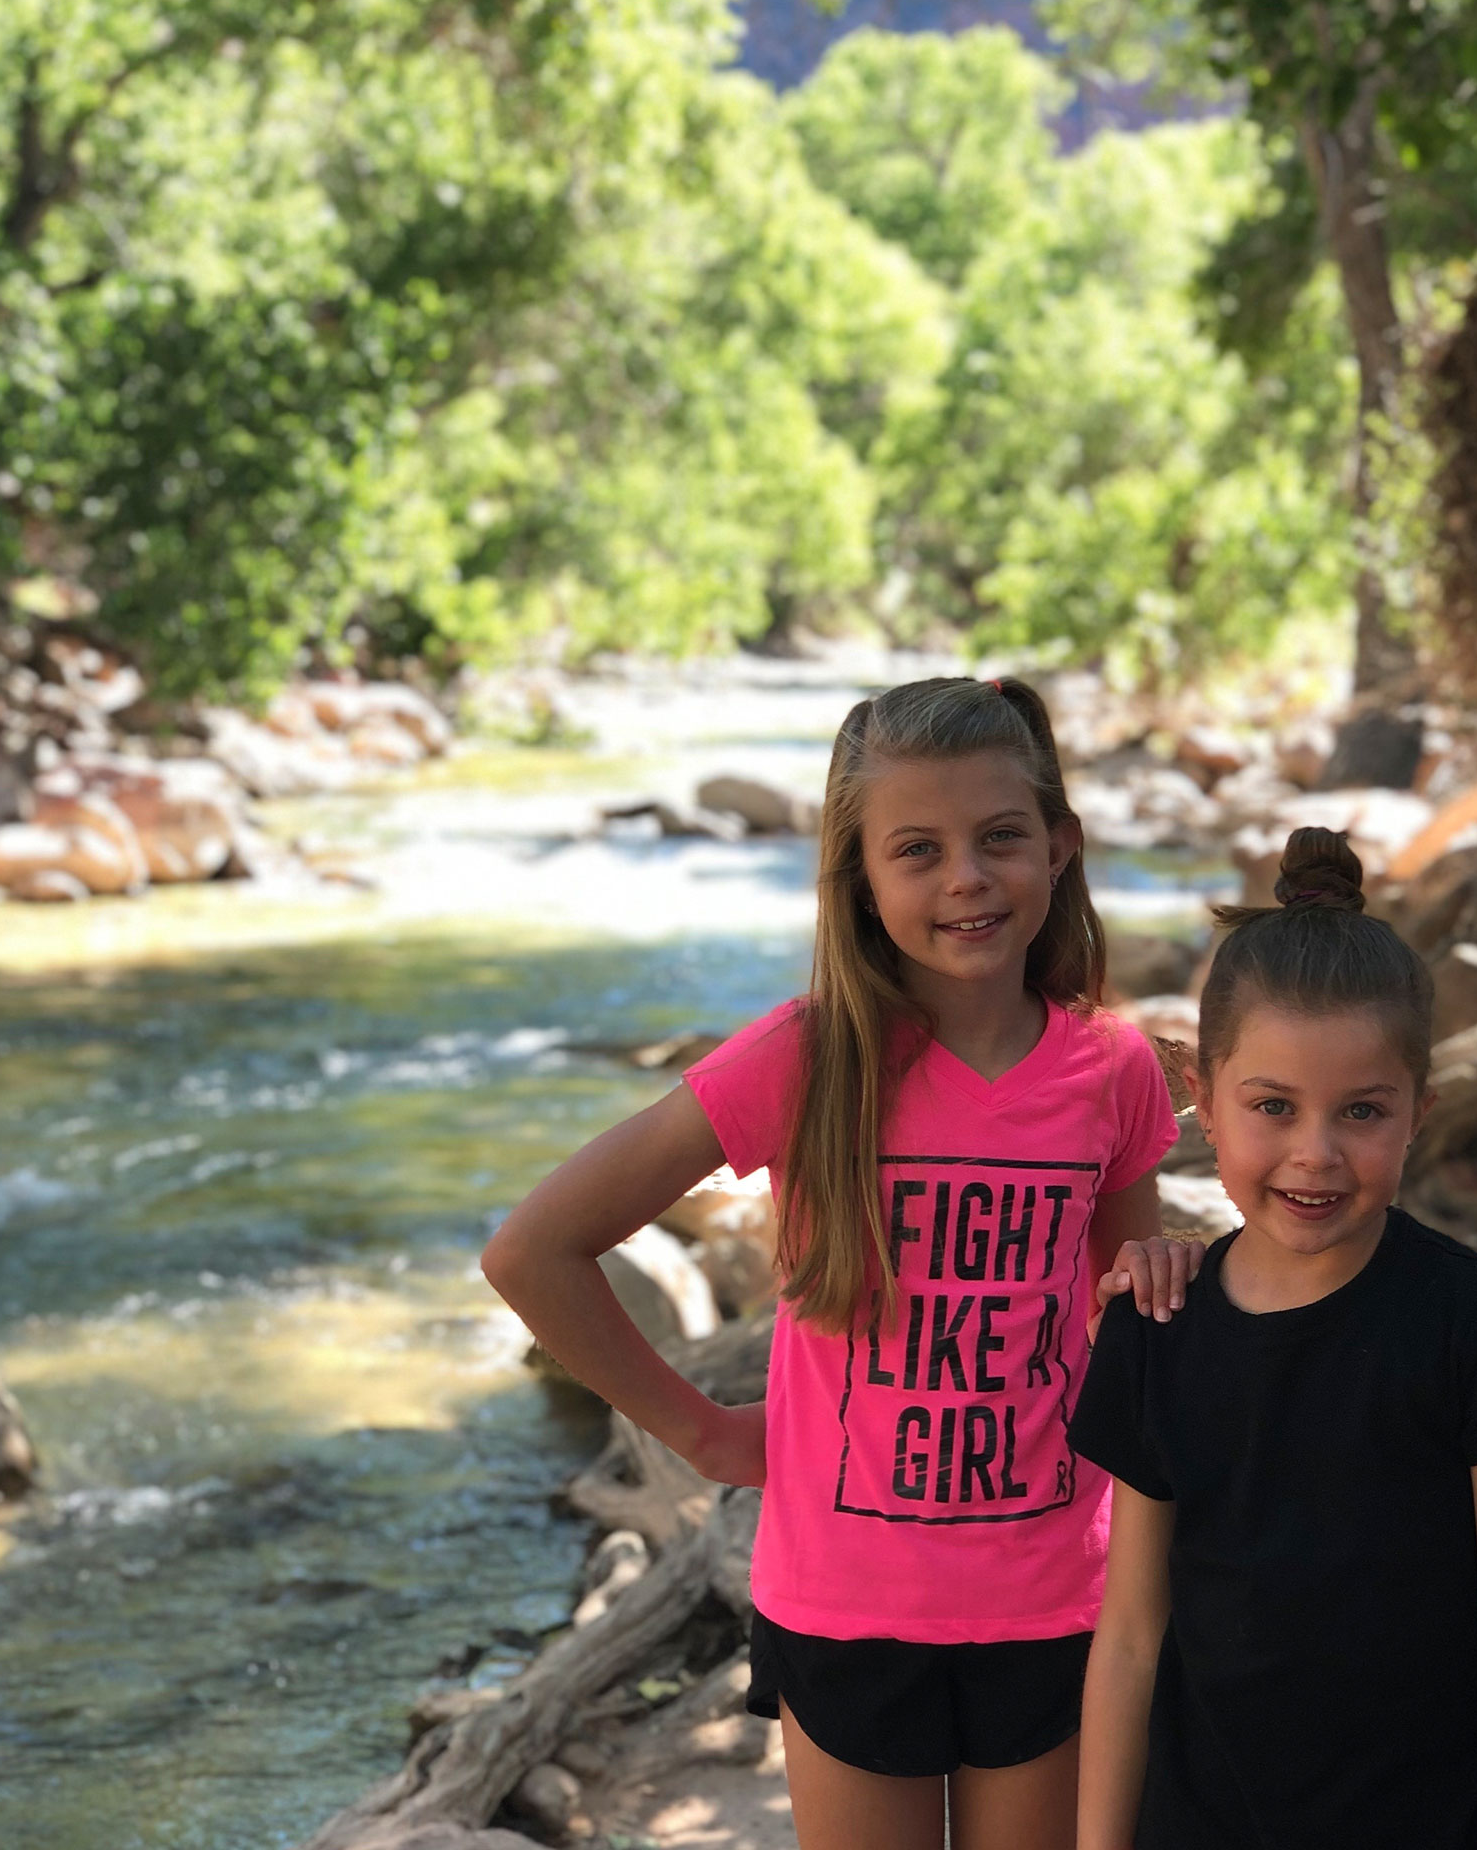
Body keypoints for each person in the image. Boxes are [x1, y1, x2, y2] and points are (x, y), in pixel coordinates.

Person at [482, 675, 1199, 1850]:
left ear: (1060, 847)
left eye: (1000, 837)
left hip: (1058, 1601)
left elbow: (1126, 1331)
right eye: (917, 850)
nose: (967, 878)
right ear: (858, 878)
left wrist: (1174, 1281)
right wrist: (705, 1434)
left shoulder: (1111, 1068)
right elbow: (534, 1250)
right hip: (848, 1610)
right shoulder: (803, 1058)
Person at [1071, 826, 1477, 1850]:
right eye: (1273, 1106)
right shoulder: (1158, 1326)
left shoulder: (1472, 1323)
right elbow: (1128, 1639)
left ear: (1419, 1113)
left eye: (1361, 1112)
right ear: (1203, 1101)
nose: (1317, 1153)